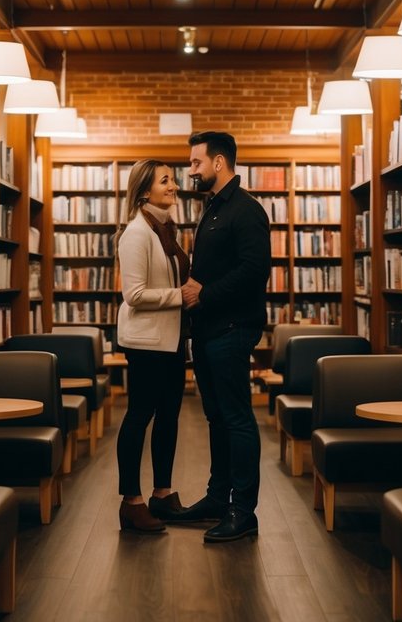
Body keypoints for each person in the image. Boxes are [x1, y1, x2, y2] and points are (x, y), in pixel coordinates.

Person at [170, 131, 270, 542]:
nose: (190, 170)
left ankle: (243, 511)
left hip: (232, 329)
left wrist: (204, 292)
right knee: (216, 418)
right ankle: (217, 497)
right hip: (208, 329)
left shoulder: (246, 211)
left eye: (195, 163)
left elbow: (254, 272)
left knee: (237, 418)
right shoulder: (212, 209)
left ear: (218, 163)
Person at [113, 159, 190, 533]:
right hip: (146, 342)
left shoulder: (164, 229)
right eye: (165, 181)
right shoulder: (137, 234)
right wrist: (182, 296)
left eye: (173, 179)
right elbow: (135, 294)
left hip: (170, 340)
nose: (174, 185)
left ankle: (162, 493)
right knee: (139, 416)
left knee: (169, 417)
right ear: (145, 191)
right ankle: (131, 502)